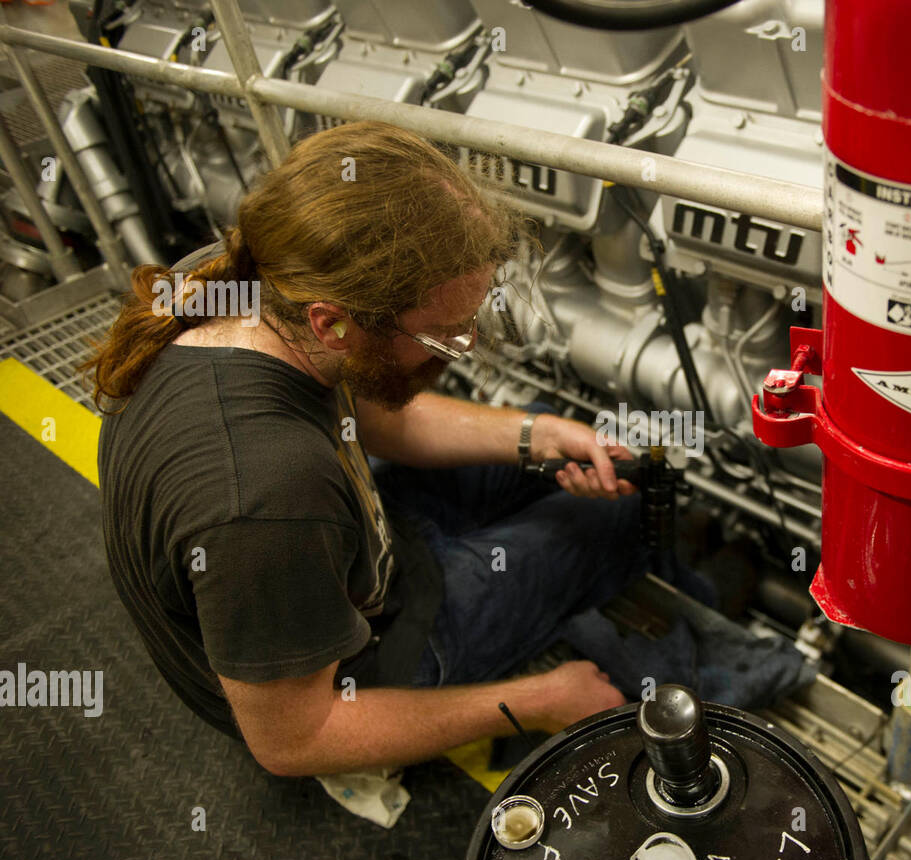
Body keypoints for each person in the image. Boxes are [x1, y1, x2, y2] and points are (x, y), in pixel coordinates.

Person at [89, 120, 701, 777]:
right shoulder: (268, 496)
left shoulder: (252, 294)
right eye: (445, 334)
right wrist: (538, 702)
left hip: (352, 555)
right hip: (354, 664)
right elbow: (297, 741)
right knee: (609, 516)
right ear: (335, 325)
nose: (462, 346)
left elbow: (366, 415)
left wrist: (534, 439)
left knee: (550, 430)